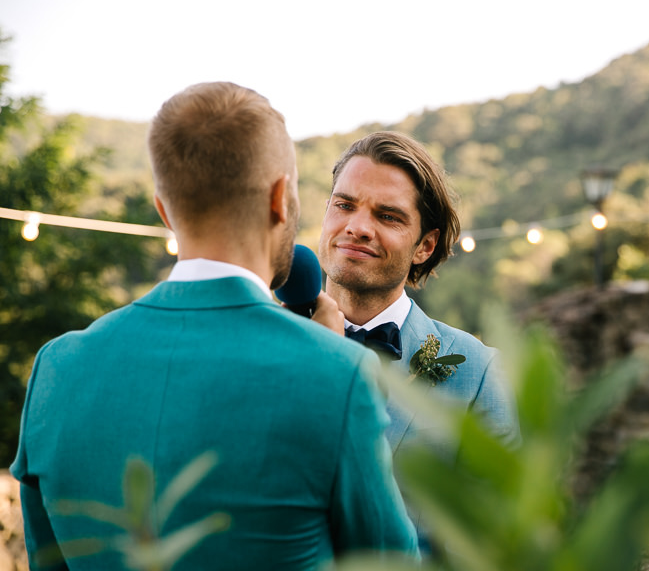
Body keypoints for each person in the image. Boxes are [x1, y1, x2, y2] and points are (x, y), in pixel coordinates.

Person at [11, 82, 418, 570]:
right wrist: (329, 364)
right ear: (281, 199)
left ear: (164, 209)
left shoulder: (56, 367)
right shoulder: (339, 373)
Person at [317, 131, 519, 543]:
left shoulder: (480, 374)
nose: (357, 227)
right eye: (344, 205)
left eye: (387, 216)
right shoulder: (266, 344)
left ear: (425, 246)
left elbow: (498, 540)